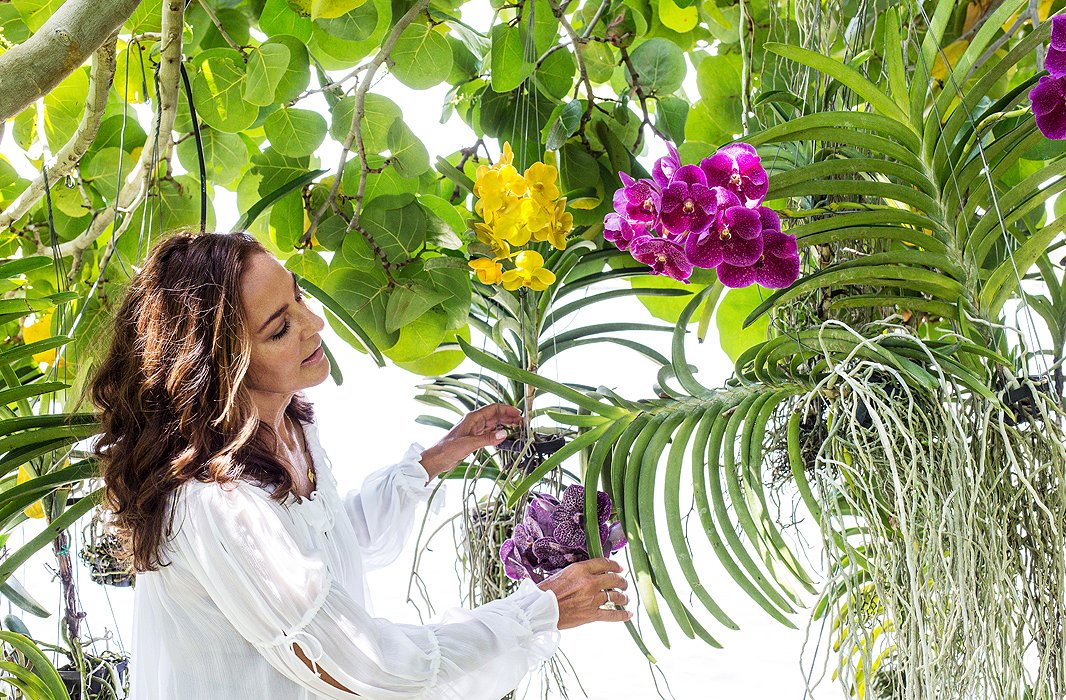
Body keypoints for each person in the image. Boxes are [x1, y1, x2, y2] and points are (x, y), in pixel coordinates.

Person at [89, 231, 632, 699]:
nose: (315, 324)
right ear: (216, 367)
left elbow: (333, 543)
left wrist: (436, 459)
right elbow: (358, 661)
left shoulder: (290, 430)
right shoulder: (215, 503)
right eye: (279, 329)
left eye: (298, 297)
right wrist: (536, 613)